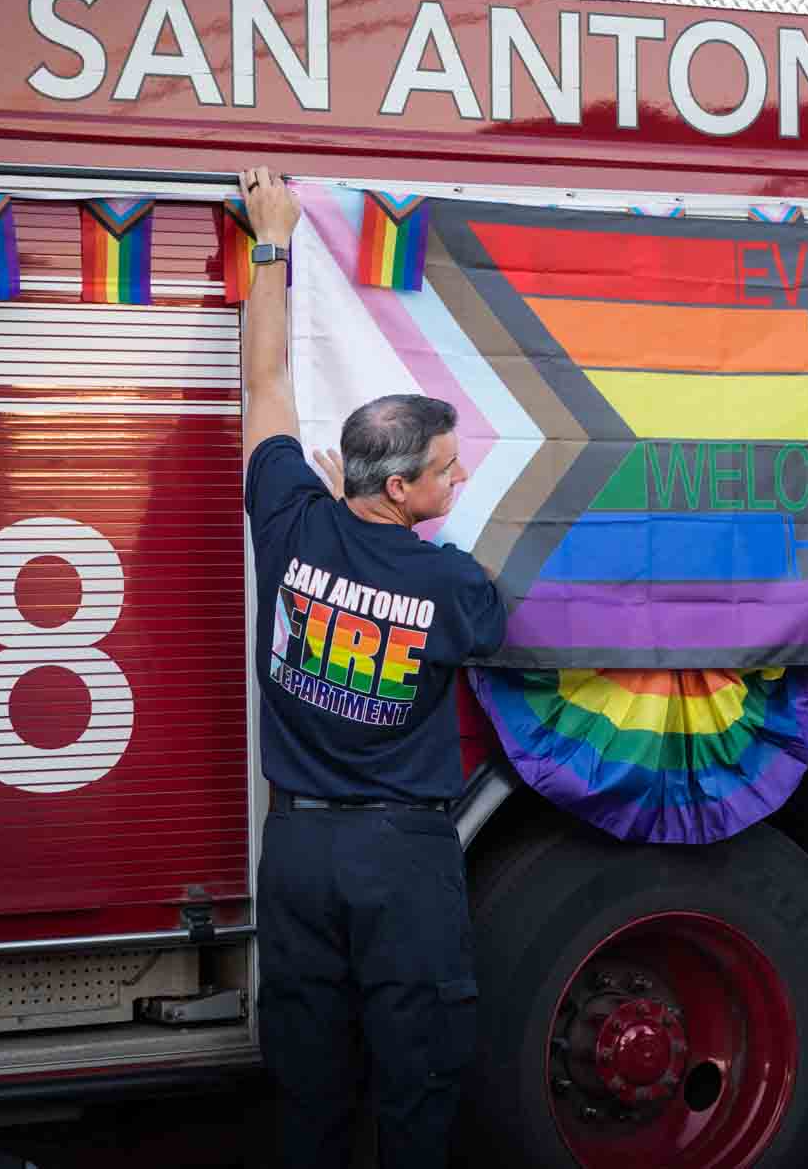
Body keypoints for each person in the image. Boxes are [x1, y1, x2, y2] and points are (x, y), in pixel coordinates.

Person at [237, 166, 508, 1167]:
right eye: (446, 465)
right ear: (398, 486)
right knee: (418, 1080)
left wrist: (272, 242)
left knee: (309, 1091)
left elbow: (264, 383)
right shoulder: (449, 587)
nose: (461, 473)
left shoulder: (288, 516)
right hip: (401, 861)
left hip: (297, 858)